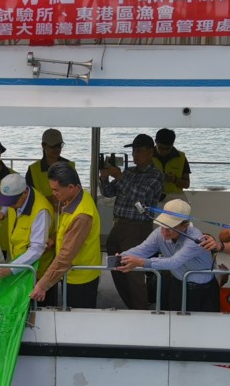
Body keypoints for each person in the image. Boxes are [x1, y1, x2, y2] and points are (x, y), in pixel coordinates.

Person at [98, 133, 163, 310]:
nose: (135, 154)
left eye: (139, 151)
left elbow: (139, 197)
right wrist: (104, 176)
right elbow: (108, 192)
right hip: (119, 225)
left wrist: (119, 176)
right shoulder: (129, 172)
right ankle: (131, 306)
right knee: (116, 267)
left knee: (134, 273)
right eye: (133, 151)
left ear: (151, 152)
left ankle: (140, 309)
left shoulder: (155, 175)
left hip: (137, 228)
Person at [118, 199, 219, 313]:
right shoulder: (159, 233)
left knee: (205, 323)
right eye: (162, 225)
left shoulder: (196, 238)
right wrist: (121, 257)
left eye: (171, 228)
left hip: (203, 291)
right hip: (178, 284)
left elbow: (174, 262)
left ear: (185, 226)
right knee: (174, 320)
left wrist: (141, 262)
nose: (165, 231)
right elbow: (143, 249)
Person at [31, 163, 100, 308]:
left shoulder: (81, 215)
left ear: (71, 187)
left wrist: (42, 285)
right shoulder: (78, 196)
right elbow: (68, 229)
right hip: (71, 273)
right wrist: (54, 239)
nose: (53, 194)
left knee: (77, 316)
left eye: (56, 190)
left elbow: (65, 256)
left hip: (80, 278)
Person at [0, 173, 55, 282]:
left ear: (24, 193)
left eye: (12, 202)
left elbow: (37, 248)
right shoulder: (17, 197)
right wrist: (2, 213)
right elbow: (8, 202)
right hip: (17, 263)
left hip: (34, 270)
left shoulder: (41, 212)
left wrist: (11, 268)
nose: (10, 205)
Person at [25, 128, 74, 200]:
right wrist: (47, 199)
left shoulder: (69, 166)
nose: (56, 149)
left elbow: (77, 193)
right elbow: (27, 196)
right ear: (43, 146)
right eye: (52, 146)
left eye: (59, 145)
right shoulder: (33, 170)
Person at [151, 128, 190, 199]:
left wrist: (175, 179)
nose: (163, 151)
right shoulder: (147, 156)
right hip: (153, 198)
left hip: (176, 199)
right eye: (160, 148)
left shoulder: (181, 157)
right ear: (155, 141)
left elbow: (187, 184)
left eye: (167, 149)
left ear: (172, 144)